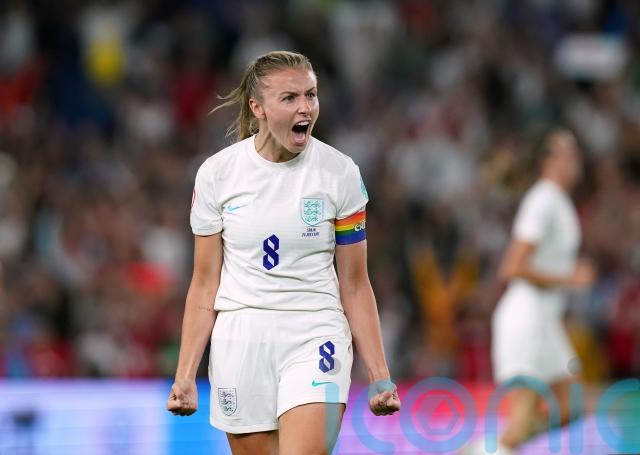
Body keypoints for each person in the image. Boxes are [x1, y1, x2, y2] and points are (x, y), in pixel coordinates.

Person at [166, 50, 400, 454]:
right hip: (242, 339)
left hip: (316, 332)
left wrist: (380, 375)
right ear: (257, 108)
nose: (305, 107)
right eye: (289, 98)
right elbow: (204, 284)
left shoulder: (339, 173)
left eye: (311, 95)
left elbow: (355, 283)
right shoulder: (217, 175)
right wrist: (186, 375)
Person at [463, 129, 595, 454]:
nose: (576, 157)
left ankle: (491, 447)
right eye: (567, 151)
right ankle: (497, 446)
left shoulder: (557, 201)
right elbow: (512, 266)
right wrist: (569, 278)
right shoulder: (542, 201)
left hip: (545, 323)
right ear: (547, 159)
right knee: (522, 418)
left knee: (573, 404)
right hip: (527, 320)